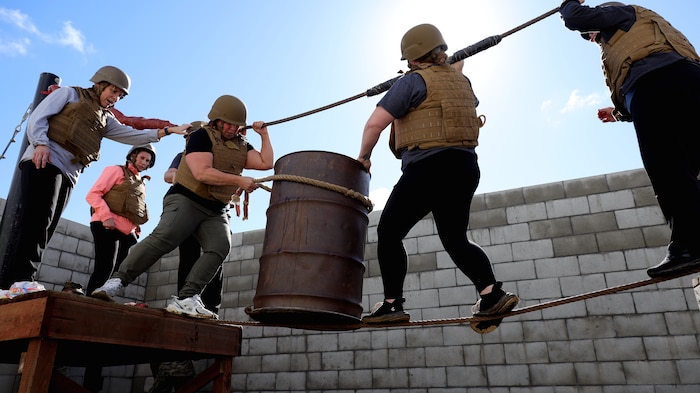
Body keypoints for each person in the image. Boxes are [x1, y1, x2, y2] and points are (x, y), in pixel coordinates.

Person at [356, 24, 519, 334]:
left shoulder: (412, 82)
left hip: (429, 168)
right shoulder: (461, 80)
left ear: (413, 59)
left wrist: (364, 158)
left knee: (389, 231)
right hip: (466, 166)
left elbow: (374, 126)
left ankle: (392, 305)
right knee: (455, 237)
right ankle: (491, 294)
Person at [0, 65, 189, 290]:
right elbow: (38, 117)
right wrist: (40, 143)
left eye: (120, 95)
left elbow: (131, 135)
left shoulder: (105, 118)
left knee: (48, 225)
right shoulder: (70, 94)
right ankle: (19, 279)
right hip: (45, 160)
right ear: (100, 85)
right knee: (38, 220)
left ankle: (20, 281)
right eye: (113, 91)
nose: (115, 98)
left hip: (69, 173)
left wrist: (167, 131)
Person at [91, 95, 274, 320]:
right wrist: (239, 181)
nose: (231, 128)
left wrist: (264, 135)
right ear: (216, 120)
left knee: (220, 246)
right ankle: (116, 281)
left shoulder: (241, 145)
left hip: (215, 209)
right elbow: (202, 173)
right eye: (227, 122)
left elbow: (266, 162)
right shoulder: (201, 136)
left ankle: (187, 298)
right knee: (165, 237)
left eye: (236, 124)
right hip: (187, 199)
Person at [560, 1, 700, 278]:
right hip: (686, 82)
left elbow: (575, 17)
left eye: (589, 32)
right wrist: (619, 112)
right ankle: (690, 242)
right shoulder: (637, 33)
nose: (590, 37)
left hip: (658, 84)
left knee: (667, 170)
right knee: (686, 171)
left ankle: (689, 247)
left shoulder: (621, 11)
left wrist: (569, 4)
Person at [146, 147, 226, 393]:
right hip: (189, 211)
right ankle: (184, 306)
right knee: (189, 259)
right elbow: (169, 175)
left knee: (215, 260)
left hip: (213, 214)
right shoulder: (187, 155)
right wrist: (195, 175)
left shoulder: (225, 157)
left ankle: (210, 310)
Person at [84, 144, 156, 295]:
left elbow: (134, 208)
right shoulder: (116, 170)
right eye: (142, 158)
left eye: (148, 161)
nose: (144, 162)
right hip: (107, 225)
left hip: (126, 233)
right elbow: (93, 194)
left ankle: (102, 302)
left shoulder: (140, 182)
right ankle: (90, 301)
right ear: (133, 156)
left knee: (117, 275)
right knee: (104, 268)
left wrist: (136, 228)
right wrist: (106, 217)